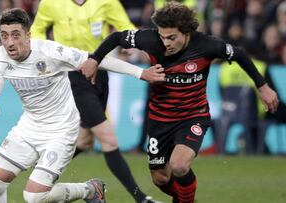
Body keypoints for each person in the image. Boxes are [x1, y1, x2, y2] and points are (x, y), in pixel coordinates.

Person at [79, 2, 280, 202]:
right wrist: (94, 59)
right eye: (162, 36)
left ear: (186, 33)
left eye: (172, 37)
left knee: (179, 165)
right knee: (160, 178)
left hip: (193, 116)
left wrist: (262, 86)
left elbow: (239, 54)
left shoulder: (207, 45)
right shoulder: (149, 39)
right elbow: (116, 37)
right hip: (159, 119)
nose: (166, 42)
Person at [0, 8, 165, 203]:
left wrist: (140, 73)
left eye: (16, 35)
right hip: (29, 126)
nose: (9, 42)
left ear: (28, 35)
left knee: (34, 197)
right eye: (4, 35)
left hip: (61, 131)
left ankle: (90, 190)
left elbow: (98, 60)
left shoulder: (50, 51)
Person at [31, 1, 163, 203]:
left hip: (100, 74)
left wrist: (133, 46)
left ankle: (41, 172)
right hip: (72, 77)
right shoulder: (51, 3)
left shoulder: (107, 1)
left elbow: (124, 24)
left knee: (84, 140)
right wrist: (45, 57)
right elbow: (37, 32)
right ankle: (141, 198)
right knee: (108, 139)